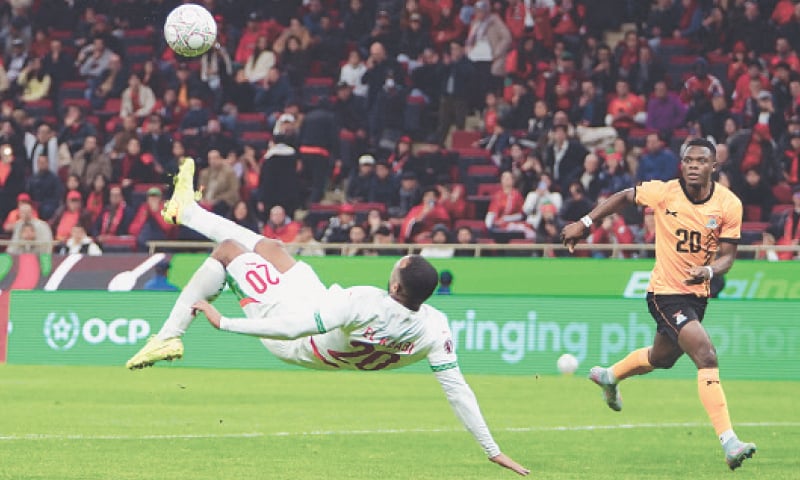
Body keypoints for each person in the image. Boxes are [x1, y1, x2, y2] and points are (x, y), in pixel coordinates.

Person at [126, 158, 529, 476]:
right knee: (271, 246)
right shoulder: (434, 327)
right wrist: (492, 450)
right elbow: (458, 391)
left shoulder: (364, 301)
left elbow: (292, 328)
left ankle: (170, 335)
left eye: (399, 263)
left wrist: (225, 323)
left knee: (229, 250)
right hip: (318, 309)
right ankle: (188, 211)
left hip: (296, 336)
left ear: (395, 284)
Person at [560, 137, 756, 471]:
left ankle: (610, 375)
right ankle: (730, 442)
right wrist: (585, 223)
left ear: (714, 166)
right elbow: (623, 197)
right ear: (682, 164)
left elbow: (728, 257)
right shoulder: (665, 192)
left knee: (661, 358)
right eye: (688, 160)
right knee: (706, 355)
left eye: (701, 161)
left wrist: (709, 270)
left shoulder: (728, 204)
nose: (693, 166)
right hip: (664, 293)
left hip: (697, 294)